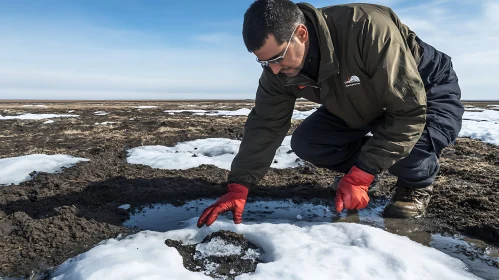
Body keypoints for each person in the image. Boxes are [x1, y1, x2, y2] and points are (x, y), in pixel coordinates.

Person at [197, 0, 464, 227]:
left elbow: (408, 112)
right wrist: (239, 185)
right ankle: (368, 170)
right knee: (308, 142)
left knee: (410, 149)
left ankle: (415, 184)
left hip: (424, 93)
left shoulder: (367, 28)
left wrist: (363, 173)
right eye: (264, 62)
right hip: (358, 100)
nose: (274, 70)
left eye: (277, 58)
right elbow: (266, 124)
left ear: (301, 34)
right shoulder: (276, 72)